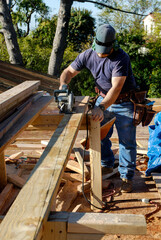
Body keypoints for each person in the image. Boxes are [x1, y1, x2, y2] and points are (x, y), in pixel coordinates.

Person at [59, 24, 137, 193]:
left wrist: (100, 107)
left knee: (127, 142)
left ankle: (126, 177)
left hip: (124, 101)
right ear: (94, 43)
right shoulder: (87, 55)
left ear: (113, 45)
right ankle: (107, 164)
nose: (101, 54)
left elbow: (116, 89)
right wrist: (63, 85)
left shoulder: (121, 58)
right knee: (99, 135)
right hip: (102, 97)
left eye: (105, 51)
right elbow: (68, 72)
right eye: (99, 50)